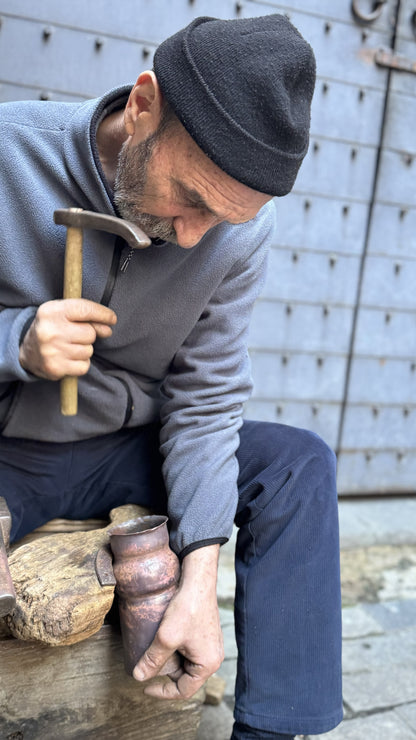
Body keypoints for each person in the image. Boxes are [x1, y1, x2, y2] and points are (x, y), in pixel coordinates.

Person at [0, 14, 343, 740]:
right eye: (189, 197)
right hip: (9, 450)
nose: (191, 236)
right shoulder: (9, 155)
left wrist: (199, 570)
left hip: (120, 450)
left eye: (223, 219)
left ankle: (275, 731)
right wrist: (16, 343)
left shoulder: (237, 233)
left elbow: (208, 397)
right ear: (143, 105)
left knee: (296, 464)